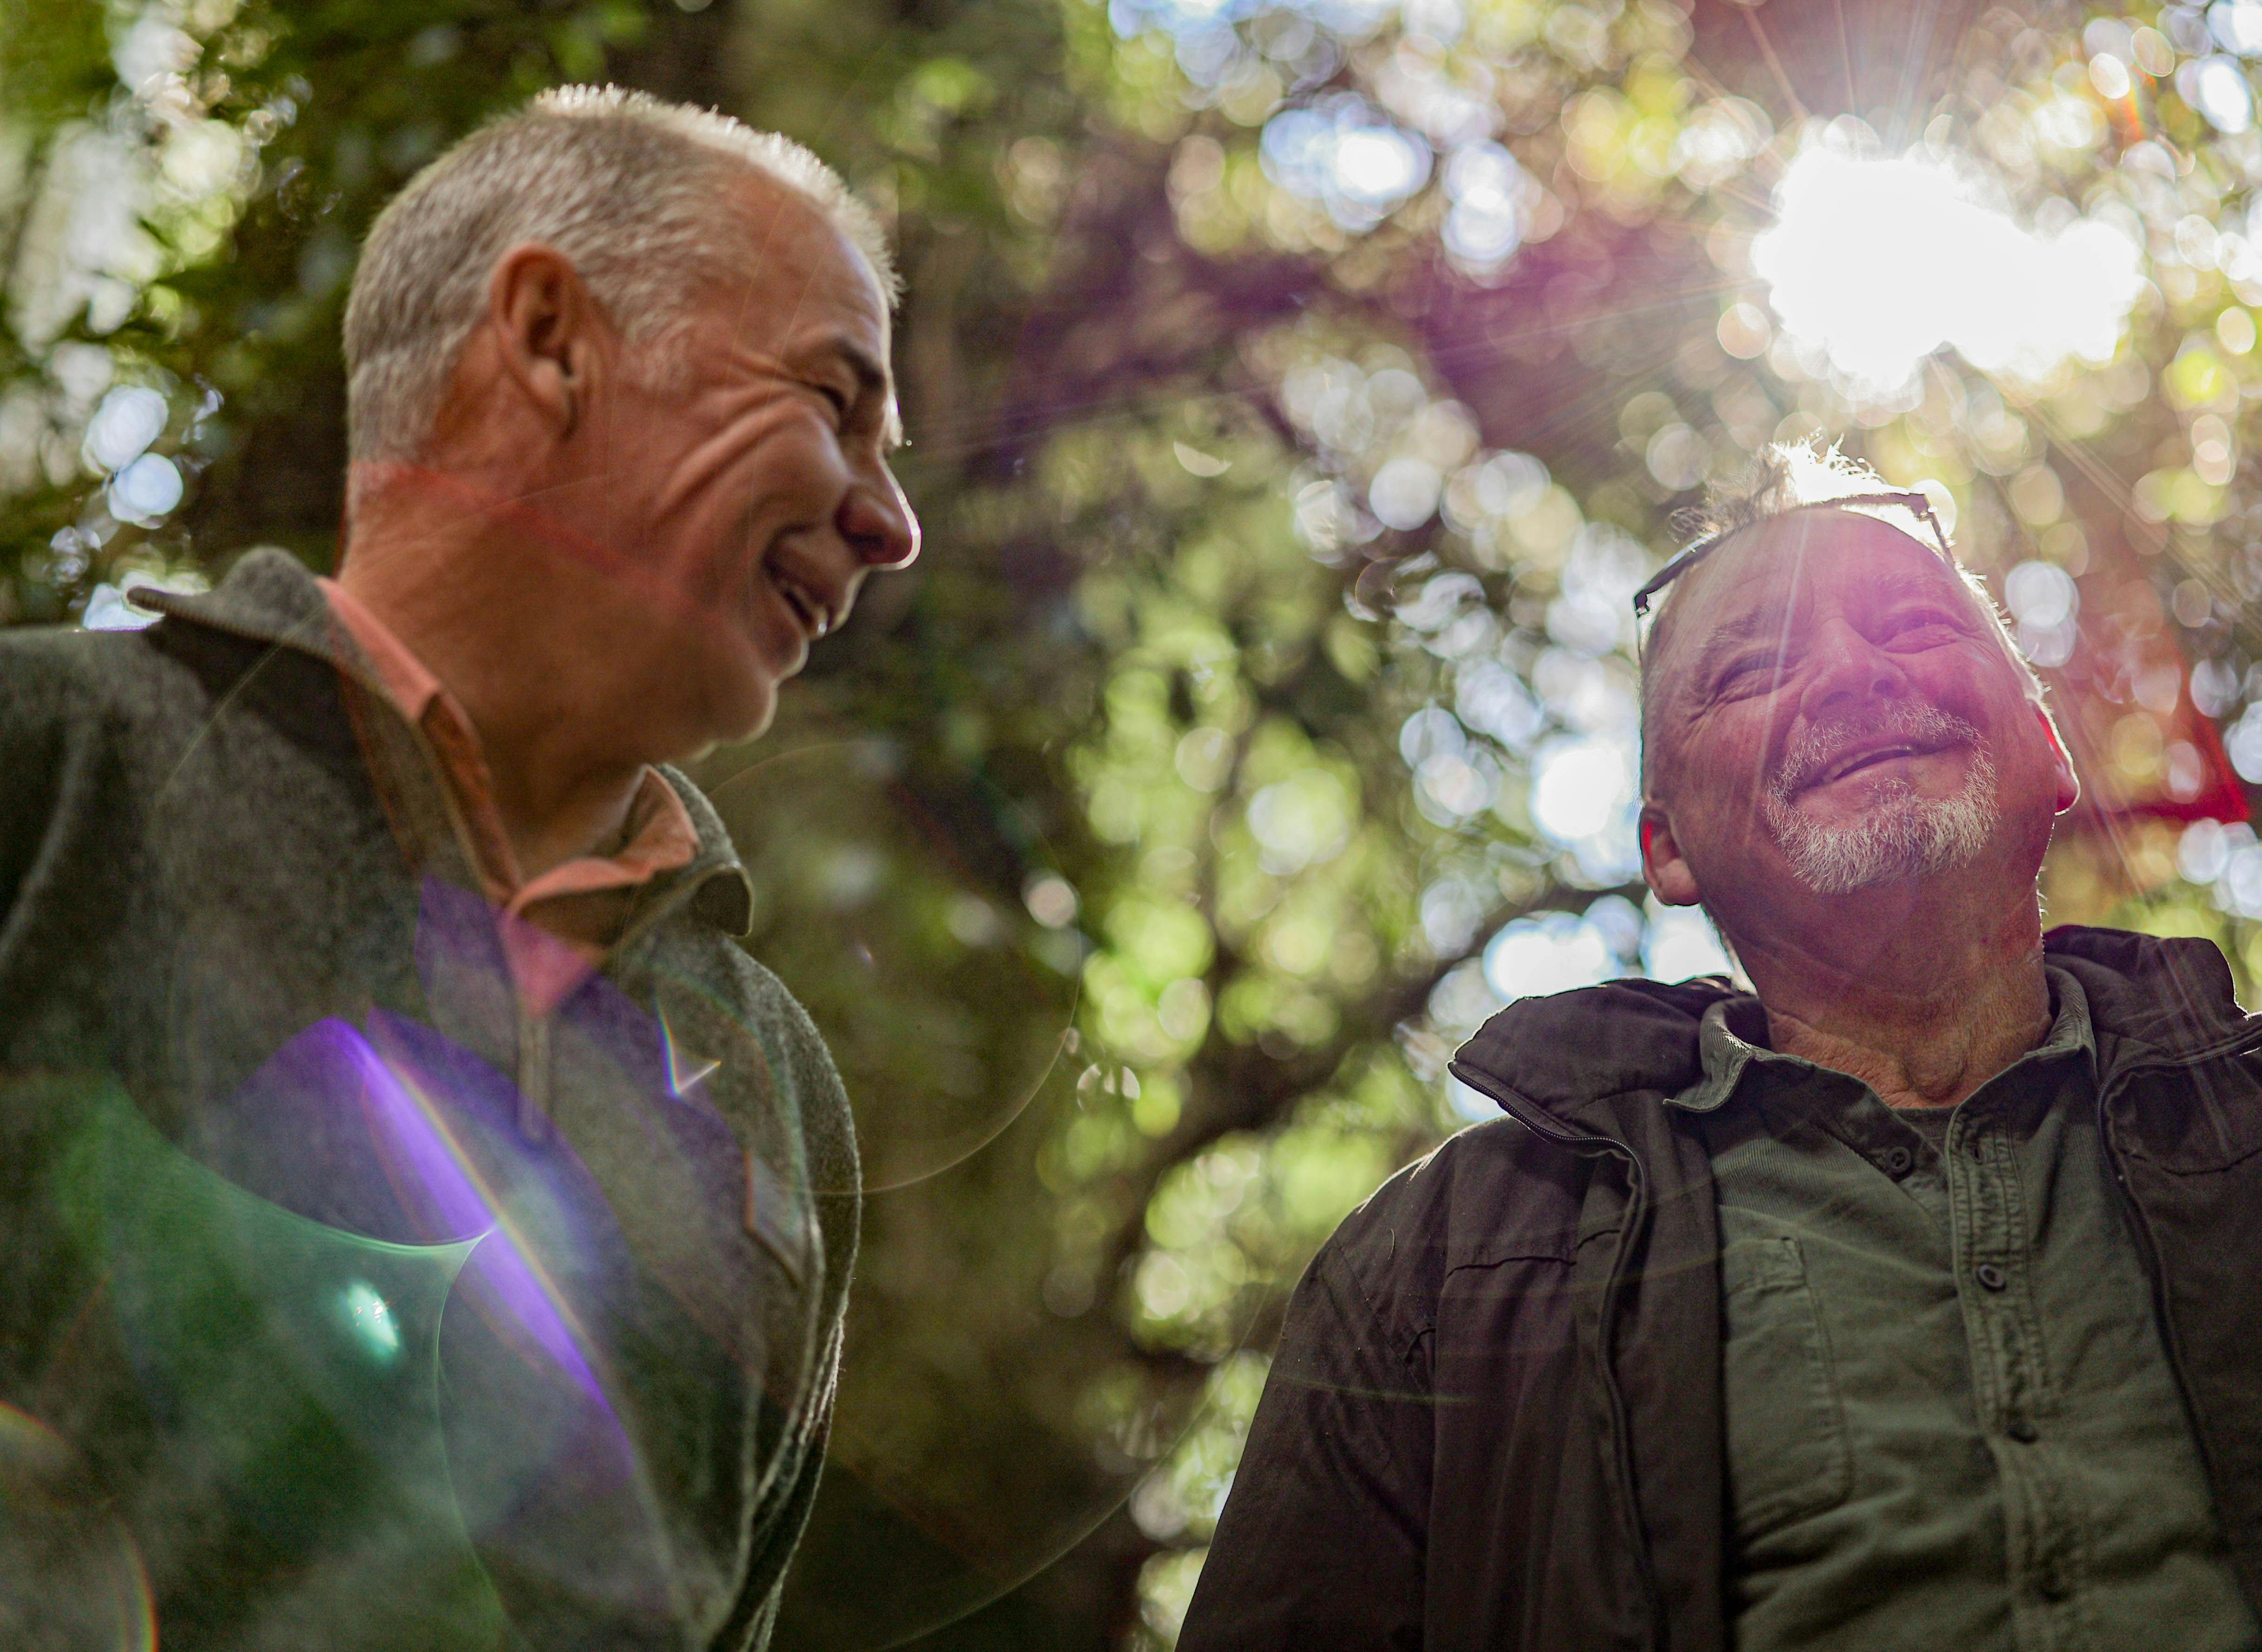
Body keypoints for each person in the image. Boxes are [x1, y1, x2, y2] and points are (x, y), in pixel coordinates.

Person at [0, 86, 917, 1649]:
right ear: (553, 339)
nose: (893, 523)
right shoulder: (44, 758)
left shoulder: (778, 1089)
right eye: (837, 402)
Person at [1181, 443, 2262, 1651]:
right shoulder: (1444, 1266)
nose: (1852, 673)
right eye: (1755, 665)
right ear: (1668, 848)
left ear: (2050, 750)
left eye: (1906, 624)